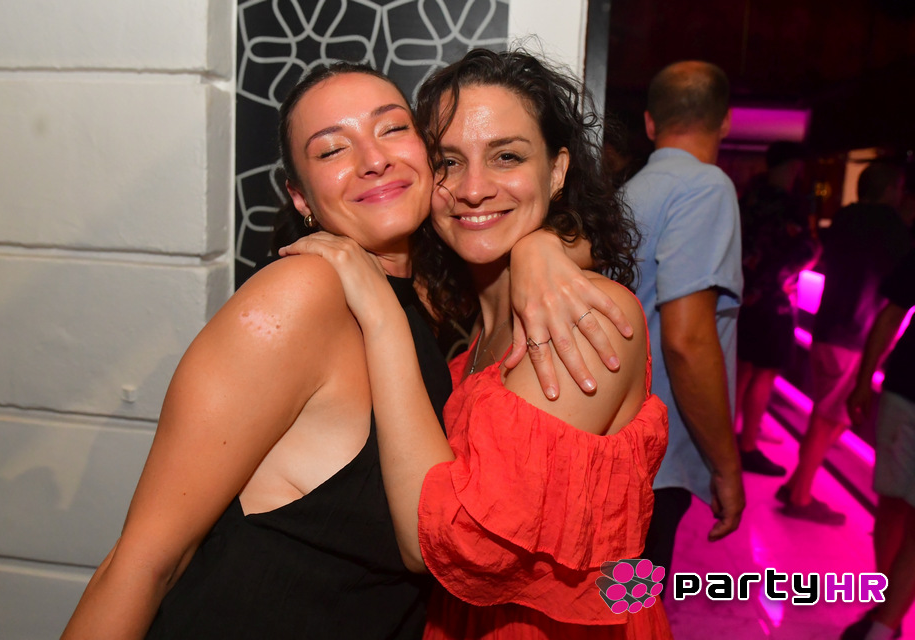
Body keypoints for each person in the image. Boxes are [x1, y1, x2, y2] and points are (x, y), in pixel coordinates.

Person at [61, 62, 633, 639]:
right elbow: (141, 563)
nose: (373, 159)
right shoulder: (303, 293)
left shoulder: (433, 305)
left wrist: (546, 247)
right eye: (332, 149)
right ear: (300, 197)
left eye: (392, 129)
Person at [284, 48, 672, 638]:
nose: (472, 189)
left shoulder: (586, 318)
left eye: (506, 156)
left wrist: (379, 311)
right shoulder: (468, 327)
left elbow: (451, 543)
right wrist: (541, 243)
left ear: (557, 171)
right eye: (447, 162)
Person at [623, 60, 745, 593]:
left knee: (616, 605)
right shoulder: (706, 187)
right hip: (660, 451)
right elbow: (688, 339)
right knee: (635, 609)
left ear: (651, 123)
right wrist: (726, 467)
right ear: (726, 122)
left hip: (622, 441)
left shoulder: (628, 193)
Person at [778, 161, 910, 525]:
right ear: (891, 190)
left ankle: (796, 485)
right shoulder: (892, 228)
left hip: (826, 327)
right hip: (855, 334)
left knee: (827, 415)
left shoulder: (843, 218)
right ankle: (800, 497)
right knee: (829, 418)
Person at [841, 248, 915, 640]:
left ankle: (883, 625)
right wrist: (862, 379)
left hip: (904, 389)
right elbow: (892, 312)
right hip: (905, 390)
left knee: (902, 512)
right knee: (891, 503)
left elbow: (891, 313)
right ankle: (887, 612)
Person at [736, 141, 819, 476]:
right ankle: (748, 445)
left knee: (742, 370)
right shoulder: (791, 205)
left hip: (742, 297)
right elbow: (808, 250)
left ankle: (729, 437)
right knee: (764, 373)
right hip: (773, 302)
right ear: (793, 167)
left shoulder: (749, 198)